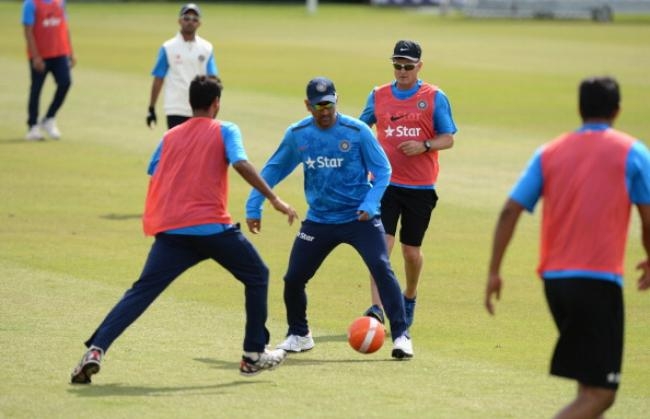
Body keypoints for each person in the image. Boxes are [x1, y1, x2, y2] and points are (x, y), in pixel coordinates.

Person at [70, 76, 299, 384]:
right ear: (216, 103)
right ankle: (252, 355)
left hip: (173, 232)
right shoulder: (225, 129)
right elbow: (240, 163)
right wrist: (273, 198)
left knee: (140, 292)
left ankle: (96, 349)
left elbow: (155, 169)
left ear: (191, 103)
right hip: (213, 230)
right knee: (257, 275)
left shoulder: (171, 136)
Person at [484, 76, 650, 418]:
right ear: (618, 110)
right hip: (598, 282)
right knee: (602, 394)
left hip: (555, 284)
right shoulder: (633, 152)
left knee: (588, 386)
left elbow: (509, 211)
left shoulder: (549, 152)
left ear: (579, 109)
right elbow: (649, 218)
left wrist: (494, 271)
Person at [246, 77, 414, 359]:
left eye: (329, 104)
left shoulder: (357, 131)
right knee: (294, 278)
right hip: (320, 220)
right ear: (307, 105)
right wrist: (254, 206)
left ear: (337, 101)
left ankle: (401, 336)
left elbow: (383, 170)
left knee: (381, 268)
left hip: (359, 218)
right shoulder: (299, 134)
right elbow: (273, 170)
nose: (324, 110)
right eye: (318, 105)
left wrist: (371, 203)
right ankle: (299, 334)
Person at [359, 40, 457, 327]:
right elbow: (362, 128)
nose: (402, 71)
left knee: (410, 252)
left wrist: (424, 145)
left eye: (408, 66)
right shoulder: (378, 95)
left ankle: (410, 295)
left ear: (419, 66)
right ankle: (377, 308)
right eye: (397, 65)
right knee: (381, 247)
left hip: (421, 188)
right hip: (384, 183)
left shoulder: (434, 96)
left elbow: (448, 137)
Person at [146, 3, 218, 129]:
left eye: (194, 19)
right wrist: (152, 107)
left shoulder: (207, 48)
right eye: (187, 18)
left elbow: (213, 80)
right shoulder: (168, 47)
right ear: (179, 21)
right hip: (175, 107)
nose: (190, 22)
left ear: (199, 24)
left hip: (200, 108)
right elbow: (158, 78)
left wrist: (213, 108)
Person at [22, 0, 75, 141]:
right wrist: (35, 57)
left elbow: (64, 27)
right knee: (36, 89)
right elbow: (28, 31)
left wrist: (70, 52)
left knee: (65, 83)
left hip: (60, 52)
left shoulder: (60, 2)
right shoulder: (31, 3)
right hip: (41, 55)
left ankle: (49, 117)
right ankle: (32, 126)